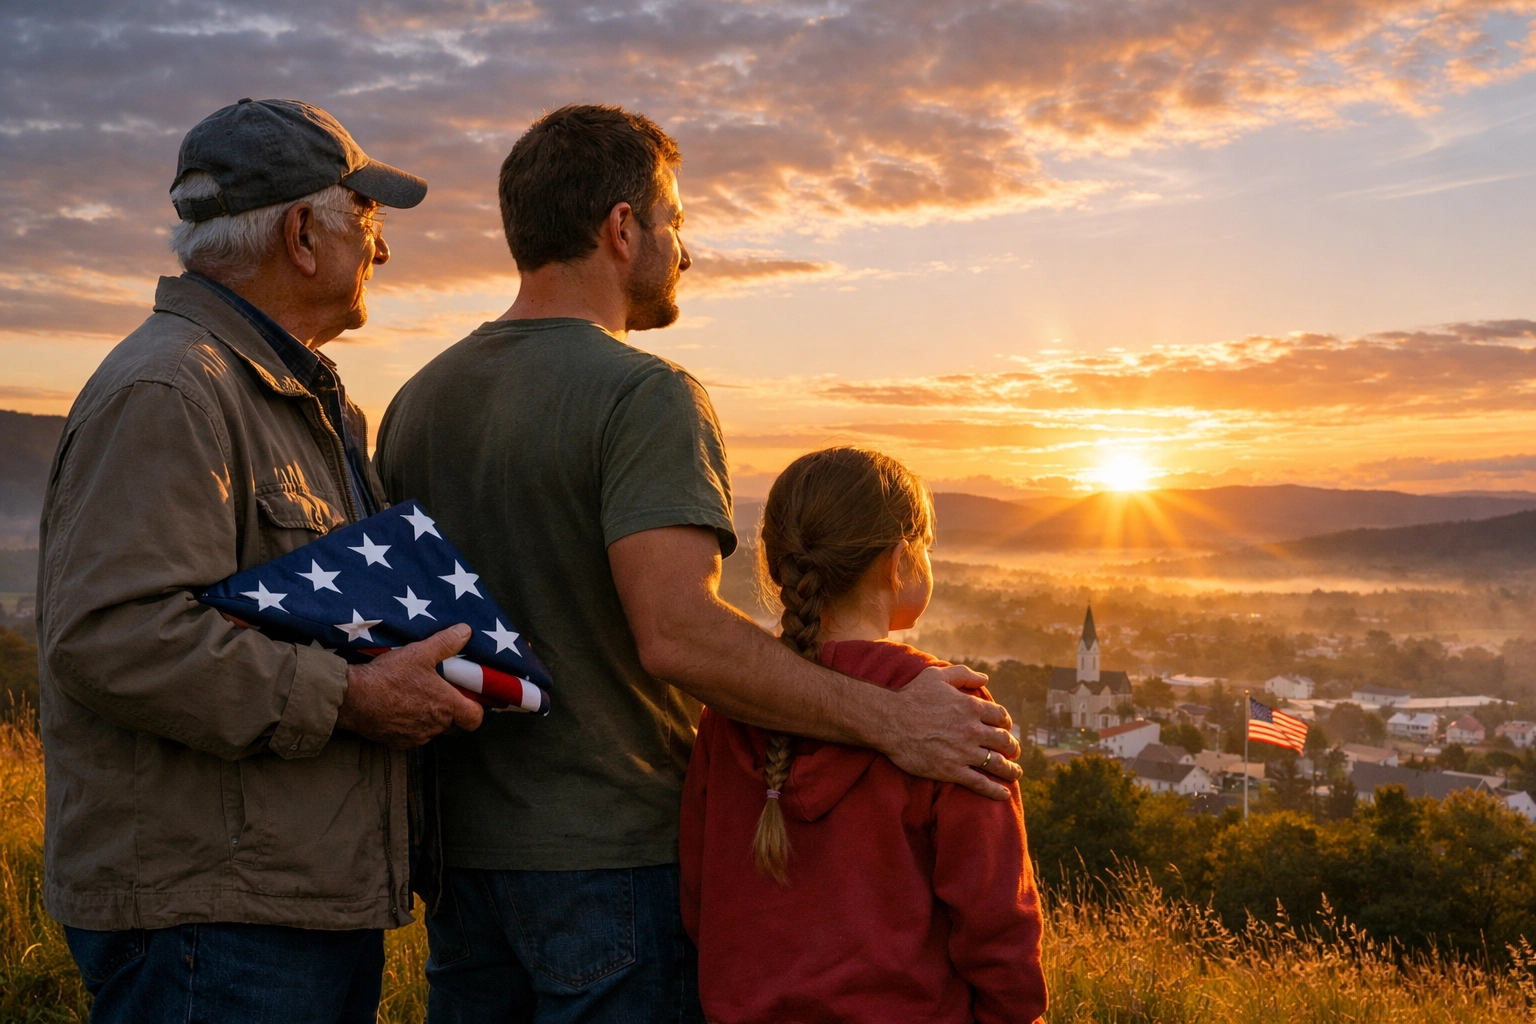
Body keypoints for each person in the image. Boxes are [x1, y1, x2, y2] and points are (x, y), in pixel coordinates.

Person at [374, 103, 1024, 1023]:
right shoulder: (645, 395)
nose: (687, 252)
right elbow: (677, 634)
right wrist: (893, 722)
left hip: (465, 861)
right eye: (676, 221)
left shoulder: (418, 400)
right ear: (622, 228)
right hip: (612, 861)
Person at [37, 98, 485, 1024]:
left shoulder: (288, 397)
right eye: (366, 217)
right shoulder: (172, 390)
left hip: (272, 906)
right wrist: (354, 699)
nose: (382, 248)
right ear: (301, 234)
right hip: (215, 927)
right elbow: (112, 636)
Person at [679, 446, 1048, 1023]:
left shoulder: (731, 710)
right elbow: (997, 921)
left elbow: (698, 900)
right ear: (899, 562)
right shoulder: (949, 712)